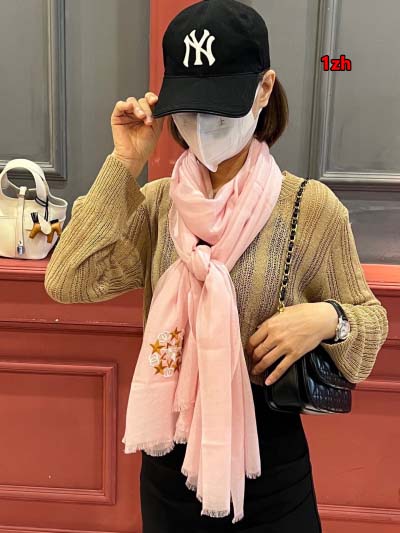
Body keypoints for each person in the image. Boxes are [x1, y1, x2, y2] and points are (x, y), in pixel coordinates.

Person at [44, 1, 389, 532]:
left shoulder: (309, 208)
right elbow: (68, 279)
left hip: (269, 474)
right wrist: (125, 163)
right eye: (190, 111)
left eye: (220, 110)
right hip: (168, 467)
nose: (203, 127)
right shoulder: (159, 205)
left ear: (264, 90)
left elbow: (370, 323)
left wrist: (327, 318)